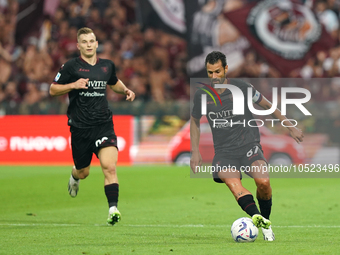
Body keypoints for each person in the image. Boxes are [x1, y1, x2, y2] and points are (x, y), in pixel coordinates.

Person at [190, 51, 304, 241]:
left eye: (217, 72)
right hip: (224, 152)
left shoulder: (241, 88)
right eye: (210, 73)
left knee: (264, 183)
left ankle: (265, 223)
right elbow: (194, 120)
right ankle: (255, 217)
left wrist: (290, 127)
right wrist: (195, 151)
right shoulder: (202, 95)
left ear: (226, 68)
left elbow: (268, 105)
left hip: (248, 146)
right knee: (235, 185)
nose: (214, 77)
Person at [49, 27, 135, 225]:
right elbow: (53, 89)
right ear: (78, 45)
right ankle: (75, 174)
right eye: (84, 42)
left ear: (97, 44)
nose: (89, 45)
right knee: (84, 172)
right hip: (80, 128)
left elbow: (113, 82)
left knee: (109, 167)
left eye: (92, 41)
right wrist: (73, 85)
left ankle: (113, 209)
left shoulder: (107, 66)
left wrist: (126, 90)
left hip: (103, 124)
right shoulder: (70, 67)